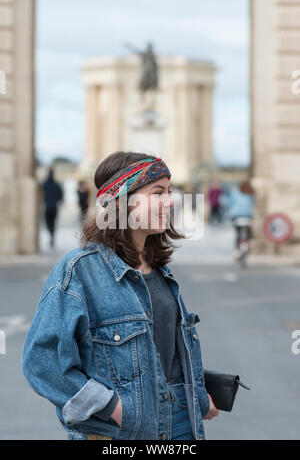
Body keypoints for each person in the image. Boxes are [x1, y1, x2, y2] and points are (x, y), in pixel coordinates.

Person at [22, 151, 218, 441]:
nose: (170, 202)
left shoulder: (160, 271)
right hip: (121, 433)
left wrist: (199, 395)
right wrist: (113, 408)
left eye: (170, 192)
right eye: (158, 193)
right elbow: (42, 361)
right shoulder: (79, 270)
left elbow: (167, 357)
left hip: (182, 424)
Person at [228, 180, 255, 258]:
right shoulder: (250, 193)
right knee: (248, 232)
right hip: (247, 215)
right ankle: (248, 244)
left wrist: (230, 213)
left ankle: (236, 249)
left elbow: (230, 203)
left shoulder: (234, 192)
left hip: (236, 215)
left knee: (238, 233)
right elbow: (251, 204)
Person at [41, 167, 64, 248]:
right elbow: (61, 196)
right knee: (52, 223)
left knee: (48, 223)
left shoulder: (44, 184)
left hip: (48, 206)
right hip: (53, 206)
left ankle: (51, 235)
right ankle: (52, 235)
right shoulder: (56, 184)